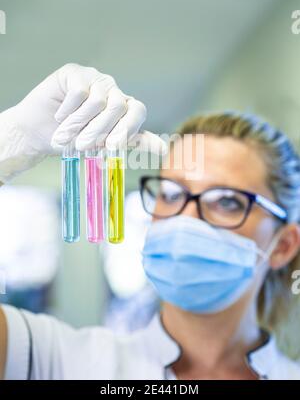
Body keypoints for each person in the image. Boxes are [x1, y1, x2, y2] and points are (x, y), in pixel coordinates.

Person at [0, 64, 300, 379]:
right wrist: (9, 141)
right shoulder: (58, 360)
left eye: (226, 201)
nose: (186, 217)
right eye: (171, 194)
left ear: (283, 245)